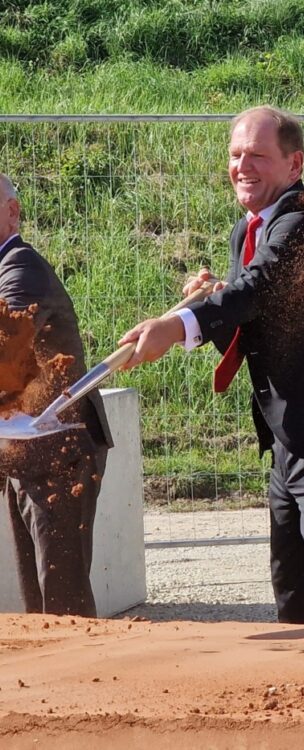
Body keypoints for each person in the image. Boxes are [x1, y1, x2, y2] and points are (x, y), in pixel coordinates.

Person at [118, 106, 304, 627]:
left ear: (295, 164)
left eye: (258, 156)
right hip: (289, 437)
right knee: (290, 596)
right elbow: (249, 310)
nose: (243, 166)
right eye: (235, 154)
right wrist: (207, 302)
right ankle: (296, 702)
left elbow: (258, 288)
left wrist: (177, 325)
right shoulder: (249, 228)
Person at [0, 173, 113, 617]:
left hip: (59, 453)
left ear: (12, 212)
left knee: (60, 596)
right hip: (26, 448)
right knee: (38, 591)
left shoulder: (19, 269)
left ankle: (86, 679)